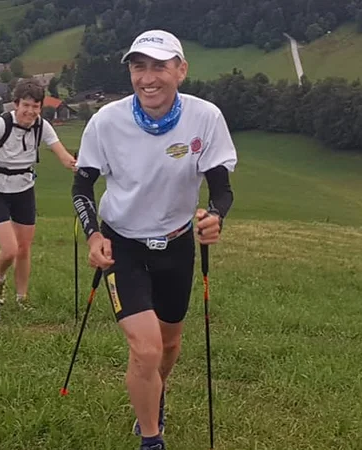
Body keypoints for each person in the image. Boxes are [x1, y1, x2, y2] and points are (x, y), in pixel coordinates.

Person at [71, 29, 237, 450]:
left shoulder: (206, 117)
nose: (148, 78)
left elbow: (221, 186)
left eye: (159, 67)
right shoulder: (106, 121)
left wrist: (215, 215)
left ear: (180, 71)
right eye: (138, 67)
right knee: (144, 351)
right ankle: (151, 439)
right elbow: (81, 187)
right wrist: (93, 236)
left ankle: (155, 397)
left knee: (168, 343)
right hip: (122, 245)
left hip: (178, 245)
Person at [0, 78, 77, 309]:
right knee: (10, 249)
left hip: (24, 189)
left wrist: (77, 165)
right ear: (16, 104)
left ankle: (22, 299)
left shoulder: (42, 126)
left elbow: (62, 154)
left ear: (40, 107)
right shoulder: (3, 123)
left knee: (24, 248)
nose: (30, 111)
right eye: (25, 105)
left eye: (35, 107)